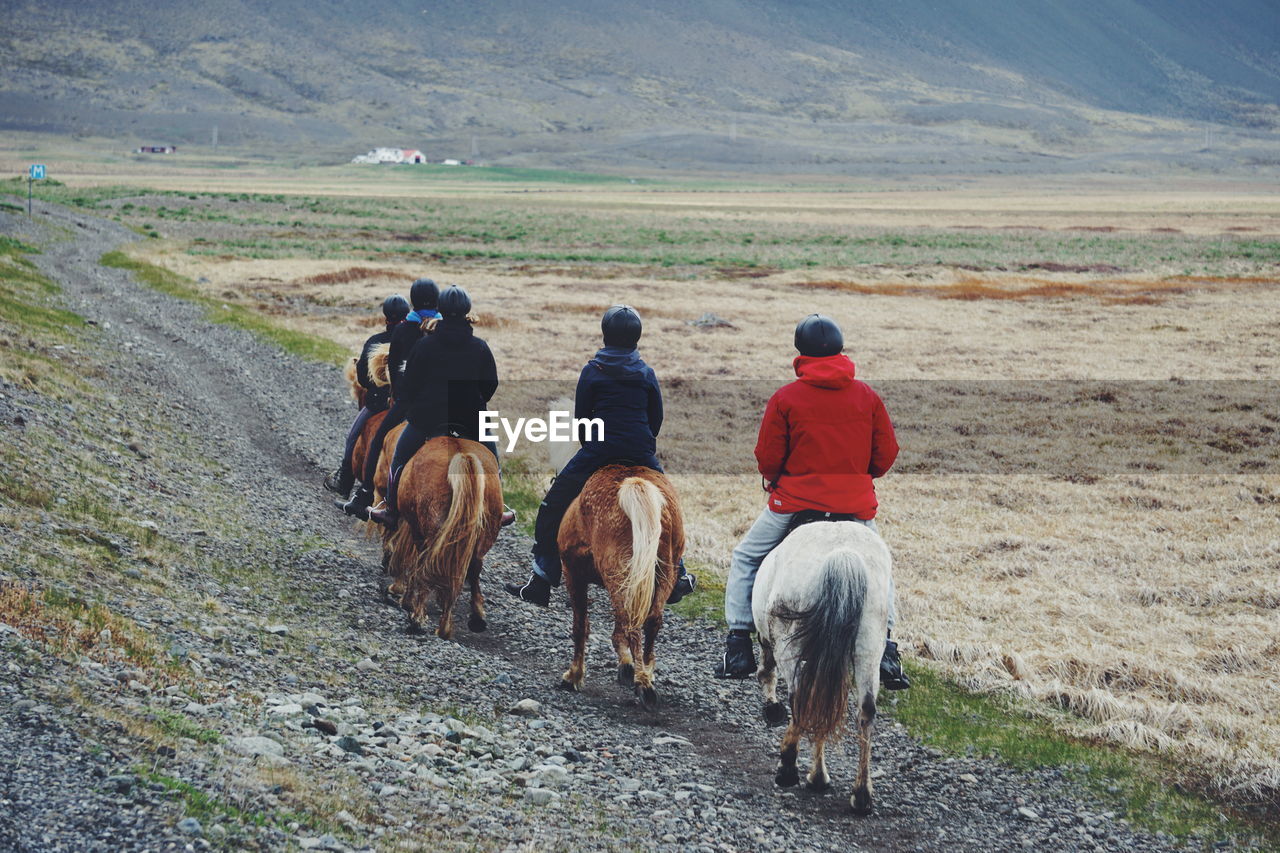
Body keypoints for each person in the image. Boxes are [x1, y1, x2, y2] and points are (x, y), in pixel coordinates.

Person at [715, 314, 909, 690]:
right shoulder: (867, 396)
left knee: (745, 557)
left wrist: (778, 478)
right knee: (880, 568)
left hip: (795, 503)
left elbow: (768, 457)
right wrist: (857, 476)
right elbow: (885, 455)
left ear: (800, 352)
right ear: (840, 349)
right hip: (855, 507)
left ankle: (738, 645)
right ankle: (886, 650)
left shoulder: (786, 398)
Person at [504, 305, 695, 607]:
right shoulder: (646, 373)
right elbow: (655, 419)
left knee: (552, 504)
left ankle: (541, 580)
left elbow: (582, 419)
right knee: (670, 511)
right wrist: (641, 446)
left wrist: (592, 446)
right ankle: (677, 576)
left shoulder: (592, 371)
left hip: (598, 452)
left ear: (605, 336)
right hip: (641, 453)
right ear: (637, 337)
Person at [367, 285, 515, 528]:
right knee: (493, 461)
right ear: (467, 311)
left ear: (441, 311)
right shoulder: (480, 347)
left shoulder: (424, 346)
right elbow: (491, 385)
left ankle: (391, 510)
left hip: (427, 418)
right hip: (470, 418)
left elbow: (411, 385)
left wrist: (419, 403)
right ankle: (498, 509)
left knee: (399, 459)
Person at [339, 277, 439, 517]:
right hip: (446, 405)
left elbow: (379, 375)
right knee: (485, 441)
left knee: (365, 438)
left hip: (396, 403)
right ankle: (498, 497)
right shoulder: (439, 330)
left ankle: (359, 490)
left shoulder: (390, 337)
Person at [323, 294, 409, 499]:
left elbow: (362, 377)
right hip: (407, 406)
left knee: (352, 436)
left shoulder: (375, 342)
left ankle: (344, 481)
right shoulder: (415, 339)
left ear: (386, 318)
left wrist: (376, 386)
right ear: (407, 317)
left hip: (378, 404)